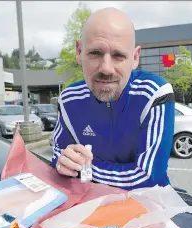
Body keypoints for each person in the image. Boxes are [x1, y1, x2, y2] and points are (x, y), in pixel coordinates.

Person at [52, 7, 175, 190]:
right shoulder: (68, 99)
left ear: (134, 58)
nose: (106, 68)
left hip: (148, 205)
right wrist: (64, 162)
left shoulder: (154, 94)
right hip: (88, 203)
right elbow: (58, 155)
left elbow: (148, 176)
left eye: (118, 56)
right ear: (79, 51)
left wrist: (85, 171)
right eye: (95, 53)